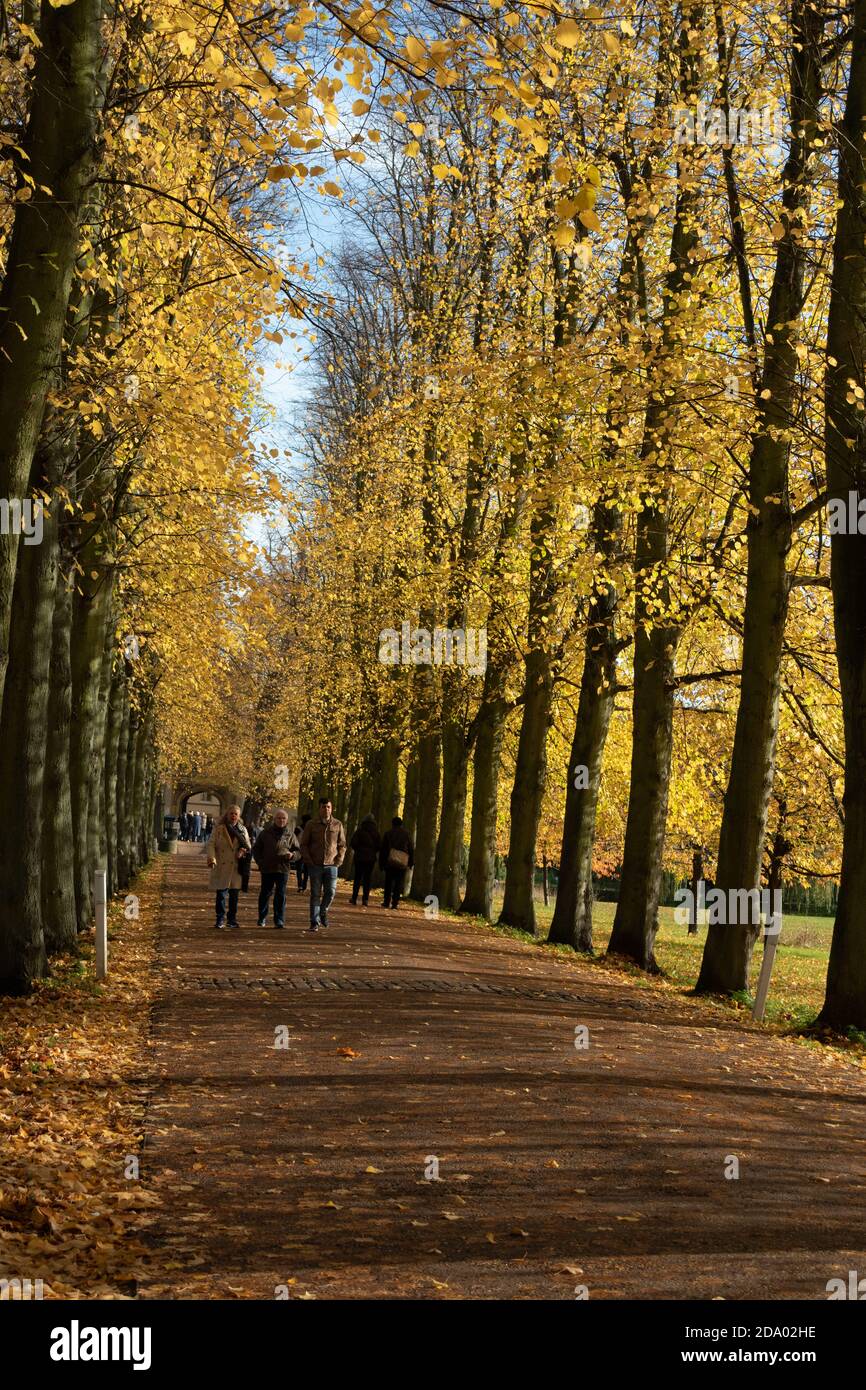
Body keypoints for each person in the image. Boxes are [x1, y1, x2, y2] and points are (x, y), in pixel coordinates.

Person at [299, 796, 346, 933]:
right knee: (315, 893)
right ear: (319, 809)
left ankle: (323, 911)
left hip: (332, 865)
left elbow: (342, 844)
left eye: (328, 807)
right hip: (315, 865)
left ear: (331, 808)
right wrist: (309, 861)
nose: (326, 809)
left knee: (331, 892)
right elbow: (304, 844)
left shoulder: (337, 824)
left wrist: (339, 860)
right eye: (323, 807)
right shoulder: (311, 824)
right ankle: (314, 922)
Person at [205, 805, 251, 929]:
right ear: (227, 814)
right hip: (222, 864)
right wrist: (212, 858)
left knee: (234, 896)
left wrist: (242, 851)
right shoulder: (219, 829)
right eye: (231, 813)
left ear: (239, 816)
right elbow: (211, 844)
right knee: (221, 894)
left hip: (236, 866)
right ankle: (220, 919)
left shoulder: (242, 830)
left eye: (236, 814)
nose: (233, 816)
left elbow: (248, 846)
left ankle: (232, 919)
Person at [252, 809, 293, 929]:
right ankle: (262, 917)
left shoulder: (290, 834)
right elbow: (256, 849)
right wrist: (260, 862)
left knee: (281, 894)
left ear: (286, 820)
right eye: (279, 818)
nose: (281, 820)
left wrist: (293, 855)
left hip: (283, 868)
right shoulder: (265, 833)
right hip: (268, 868)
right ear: (274, 819)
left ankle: (279, 920)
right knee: (265, 893)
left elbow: (298, 850)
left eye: (283, 818)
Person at [379, 816, 414, 911]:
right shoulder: (407, 834)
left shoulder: (388, 834)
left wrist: (381, 863)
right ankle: (395, 903)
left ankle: (386, 901)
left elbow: (383, 850)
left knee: (388, 883)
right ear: (401, 824)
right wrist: (411, 862)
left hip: (390, 861)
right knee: (398, 883)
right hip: (402, 862)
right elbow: (411, 849)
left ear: (392, 824)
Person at [349, 813, 380, 907]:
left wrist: (359, 849)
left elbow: (353, 843)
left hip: (359, 857)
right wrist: (372, 851)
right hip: (370, 859)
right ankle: (365, 899)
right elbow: (379, 846)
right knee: (367, 879)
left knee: (357, 878)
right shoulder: (376, 832)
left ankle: (354, 898)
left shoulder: (359, 831)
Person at [296, 814, 311, 892]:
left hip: (301, 851)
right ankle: (303, 886)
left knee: (299, 869)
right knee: (306, 870)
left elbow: (294, 840)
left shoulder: (298, 829)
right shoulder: (311, 829)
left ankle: (300, 885)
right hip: (306, 852)